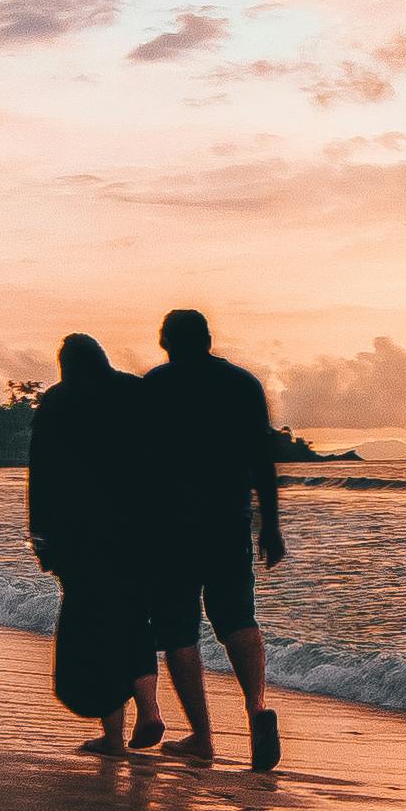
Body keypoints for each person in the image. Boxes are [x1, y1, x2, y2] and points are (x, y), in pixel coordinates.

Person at [133, 307, 287, 770]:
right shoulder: (243, 384)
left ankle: (202, 738)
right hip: (228, 521)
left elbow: (138, 461)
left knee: (179, 628)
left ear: (166, 343)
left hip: (170, 526)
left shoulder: (156, 385)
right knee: (238, 617)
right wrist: (271, 525)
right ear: (208, 340)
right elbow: (262, 460)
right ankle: (257, 707)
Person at [24, 333, 166, 753]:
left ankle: (114, 737)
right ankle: (150, 709)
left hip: (78, 537)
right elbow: (164, 460)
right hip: (139, 532)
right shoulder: (136, 391)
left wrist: (41, 538)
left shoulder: (57, 403)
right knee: (134, 618)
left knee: (96, 628)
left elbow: (41, 476)